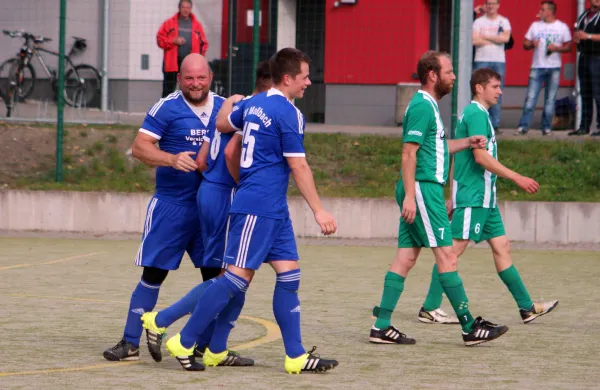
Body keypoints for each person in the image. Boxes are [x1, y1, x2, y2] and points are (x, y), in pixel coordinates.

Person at [156, 48, 339, 374]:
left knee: (289, 274)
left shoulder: (251, 104)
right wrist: (319, 211)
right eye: (305, 77)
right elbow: (298, 165)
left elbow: (225, 124)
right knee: (235, 280)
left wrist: (231, 105)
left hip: (272, 209)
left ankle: (295, 355)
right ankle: (183, 341)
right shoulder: (289, 113)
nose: (309, 82)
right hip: (259, 207)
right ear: (287, 78)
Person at [369, 51, 509, 347]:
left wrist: (467, 142)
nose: (454, 76)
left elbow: (436, 146)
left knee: (405, 258)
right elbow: (409, 153)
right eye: (449, 71)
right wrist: (410, 195)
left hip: (420, 189)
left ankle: (381, 326)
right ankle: (470, 326)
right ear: (433, 74)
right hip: (421, 189)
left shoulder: (428, 106)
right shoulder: (422, 106)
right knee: (447, 256)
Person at [139, 61, 273, 367]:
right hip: (225, 197)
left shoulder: (227, 106)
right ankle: (164, 323)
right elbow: (229, 153)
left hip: (210, 194)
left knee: (229, 276)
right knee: (232, 276)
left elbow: (202, 158)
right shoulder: (253, 110)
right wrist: (246, 185)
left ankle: (213, 348)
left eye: (202, 77)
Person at [102, 54, 223, 362]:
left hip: (211, 208)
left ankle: (206, 346)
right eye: (189, 79)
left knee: (217, 279)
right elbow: (140, 147)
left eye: (201, 78)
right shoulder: (166, 107)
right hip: (173, 206)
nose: (195, 84)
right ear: (179, 79)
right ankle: (130, 342)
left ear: (211, 77)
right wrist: (171, 158)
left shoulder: (227, 107)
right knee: (153, 275)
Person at [418, 68, 558, 326]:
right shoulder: (476, 114)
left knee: (502, 247)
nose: (500, 91)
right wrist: (517, 177)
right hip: (474, 197)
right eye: (495, 86)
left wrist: (451, 194)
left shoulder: (476, 115)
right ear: (479, 88)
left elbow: (457, 155)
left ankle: (527, 308)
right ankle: (430, 307)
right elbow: (480, 158)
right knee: (452, 253)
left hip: (485, 200)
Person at [515, 1, 572, 136]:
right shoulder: (535, 26)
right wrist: (531, 43)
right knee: (531, 97)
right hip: (537, 66)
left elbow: (569, 46)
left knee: (550, 99)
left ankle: (546, 128)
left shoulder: (561, 27)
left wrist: (557, 48)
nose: (540, 12)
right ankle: (523, 126)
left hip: (554, 67)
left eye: (542, 10)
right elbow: (524, 43)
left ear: (550, 12)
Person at [472, 0, 511, 133]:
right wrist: (495, 38)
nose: (491, 6)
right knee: (479, 92)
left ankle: (495, 125)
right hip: (481, 59)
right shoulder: (478, 22)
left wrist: (484, 37)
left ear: (498, 5)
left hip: (498, 60)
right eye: (488, 3)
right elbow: (474, 40)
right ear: (485, 6)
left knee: (496, 92)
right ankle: (479, 123)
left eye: (493, 3)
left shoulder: (504, 21)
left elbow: (505, 39)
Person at [157, 0, 209, 98]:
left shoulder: (197, 25)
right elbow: (160, 40)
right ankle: (165, 111)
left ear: (191, 9)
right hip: (171, 63)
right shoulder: (169, 23)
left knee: (188, 90)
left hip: (189, 64)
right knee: (168, 90)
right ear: (179, 8)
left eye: (188, 8)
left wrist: (199, 59)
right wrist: (173, 41)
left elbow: (204, 44)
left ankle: (185, 111)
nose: (186, 10)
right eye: (183, 7)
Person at [570, 0, 600, 136]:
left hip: (598, 57)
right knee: (585, 93)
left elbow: (587, 34)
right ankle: (584, 126)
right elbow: (578, 30)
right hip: (584, 56)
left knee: (598, 93)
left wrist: (587, 36)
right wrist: (577, 38)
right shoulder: (584, 15)